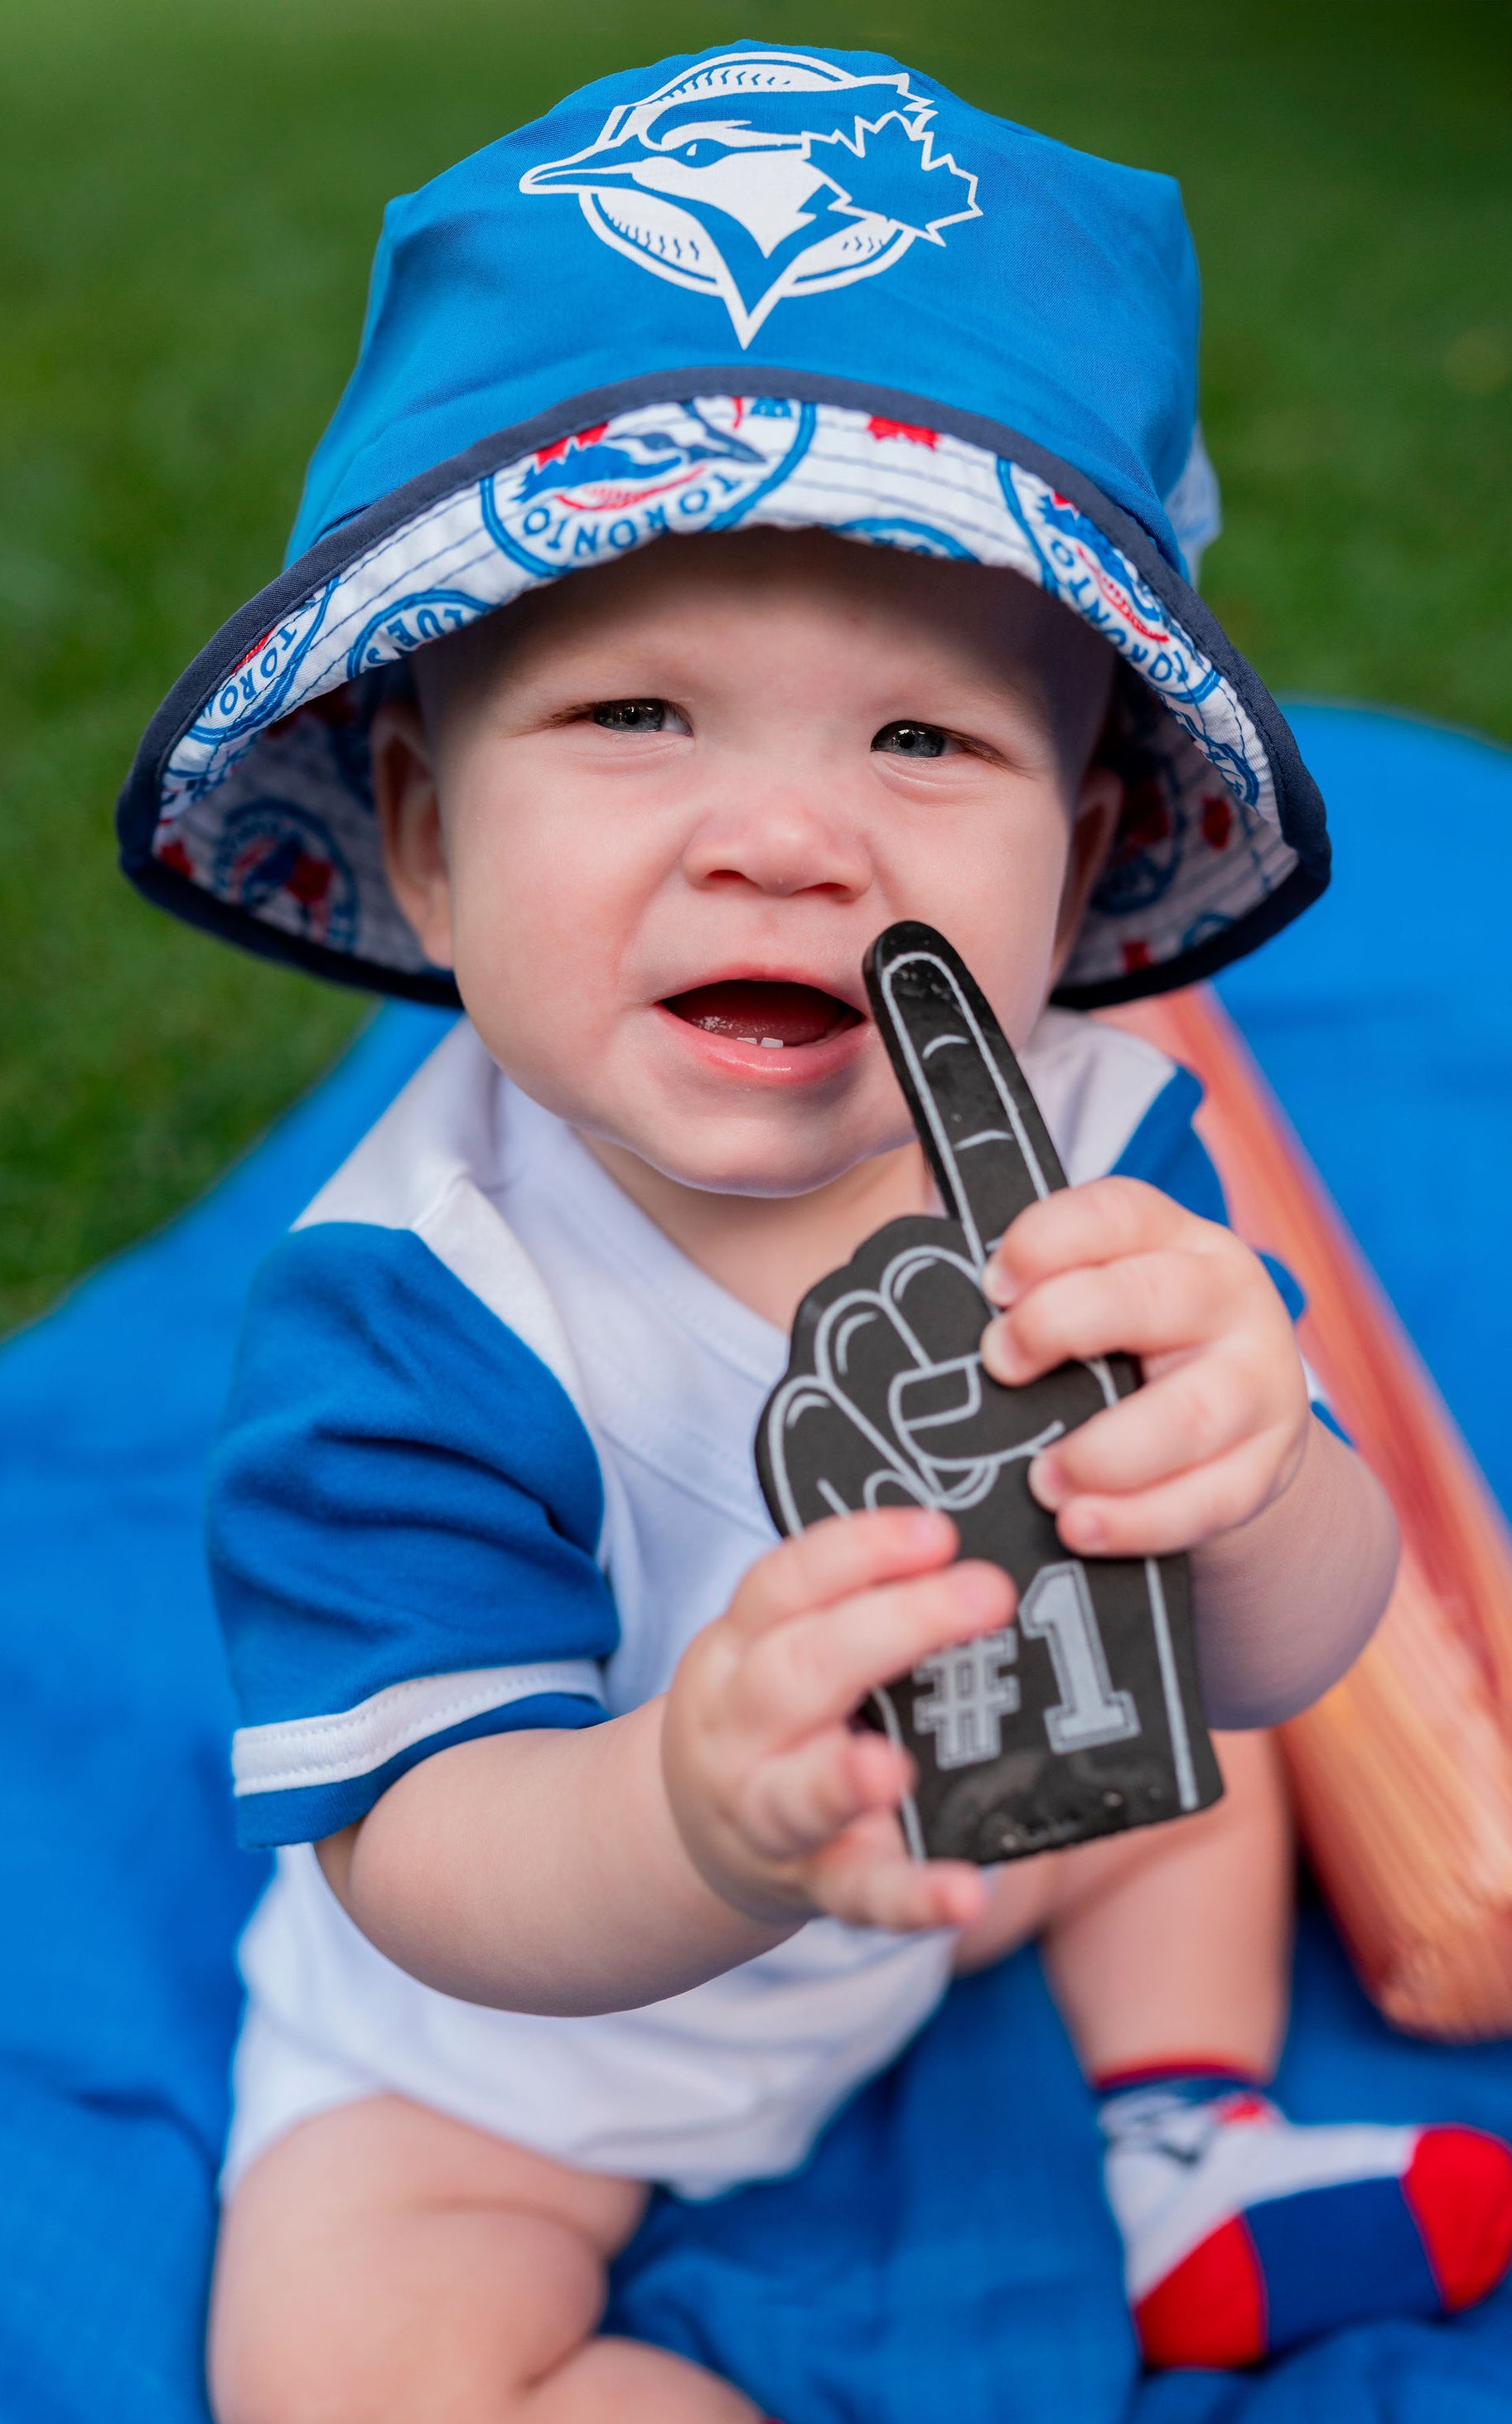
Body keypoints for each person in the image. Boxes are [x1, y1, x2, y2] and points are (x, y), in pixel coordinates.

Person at [115, 45, 1512, 2417]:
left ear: (1078, 865)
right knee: (344, 2361)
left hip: (988, 1844)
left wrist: (1254, 1481)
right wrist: (689, 1811)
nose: (784, 842)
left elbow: (1284, 1655)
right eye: (638, 712)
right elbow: (420, 1851)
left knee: (1188, 1758)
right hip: (525, 2055)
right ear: (424, 839)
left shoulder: (1088, 1143)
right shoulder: (420, 1303)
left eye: (919, 746)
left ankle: (1178, 2125)